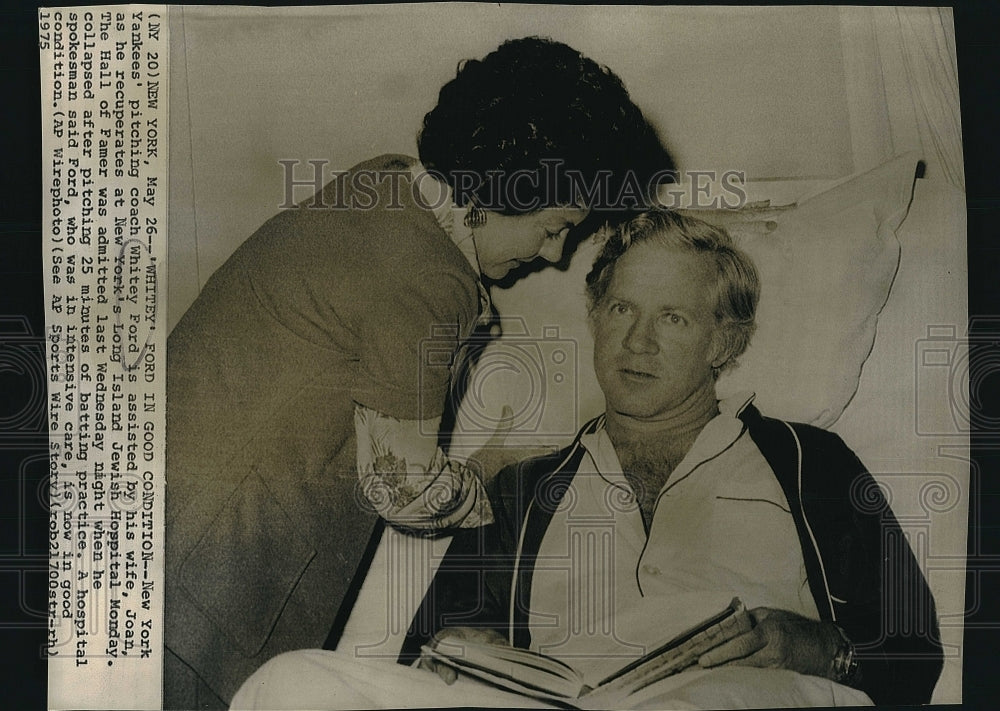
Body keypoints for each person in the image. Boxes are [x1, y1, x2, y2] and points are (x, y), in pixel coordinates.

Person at [164, 37, 675, 709]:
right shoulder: (429, 276)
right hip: (208, 579)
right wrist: (512, 479)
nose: (553, 254)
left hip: (161, 527)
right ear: (501, 188)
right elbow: (399, 484)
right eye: (555, 227)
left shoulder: (383, 181)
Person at [398, 209, 944, 707]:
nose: (638, 341)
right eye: (622, 308)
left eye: (673, 318)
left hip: (741, 696)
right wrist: (461, 654)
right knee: (316, 679)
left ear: (723, 345)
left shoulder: (811, 463)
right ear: (595, 320)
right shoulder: (519, 490)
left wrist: (818, 648)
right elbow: (425, 650)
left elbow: (914, 658)